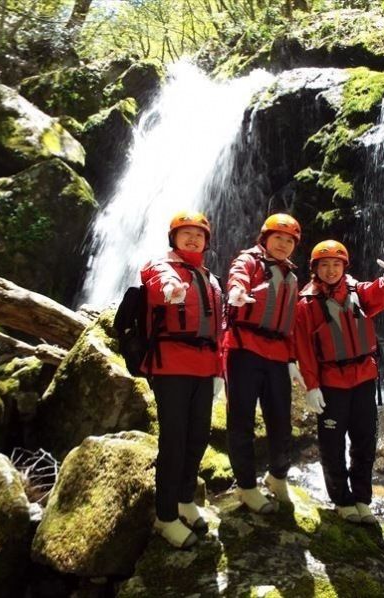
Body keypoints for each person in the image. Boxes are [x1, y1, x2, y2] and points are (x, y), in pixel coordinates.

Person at [294, 241, 384, 525]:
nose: (331, 270)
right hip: (332, 383)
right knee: (332, 445)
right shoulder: (306, 304)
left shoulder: (356, 291)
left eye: (336, 264)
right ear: (315, 269)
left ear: (344, 267)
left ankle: (362, 499)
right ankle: (342, 500)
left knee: (365, 442)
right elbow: (304, 349)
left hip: (364, 379)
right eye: (324, 265)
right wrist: (312, 385)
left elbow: (379, 294)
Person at [140, 210, 223, 549]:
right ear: (173, 238)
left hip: (204, 369)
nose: (193, 239)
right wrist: (171, 289)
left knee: (198, 437)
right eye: (185, 233)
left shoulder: (211, 279)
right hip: (171, 366)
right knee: (173, 441)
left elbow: (219, 330)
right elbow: (159, 284)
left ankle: (185, 499)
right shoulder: (161, 267)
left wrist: (220, 371)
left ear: (206, 242)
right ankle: (165, 516)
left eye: (199, 234)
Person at [224, 213, 307, 513]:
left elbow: (293, 323)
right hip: (244, 349)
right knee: (241, 421)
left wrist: (293, 360)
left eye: (289, 241)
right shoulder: (249, 262)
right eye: (278, 238)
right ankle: (246, 487)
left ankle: (277, 476)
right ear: (265, 239)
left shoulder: (292, 276)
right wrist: (236, 292)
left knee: (282, 422)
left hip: (277, 356)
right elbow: (238, 277)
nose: (283, 245)